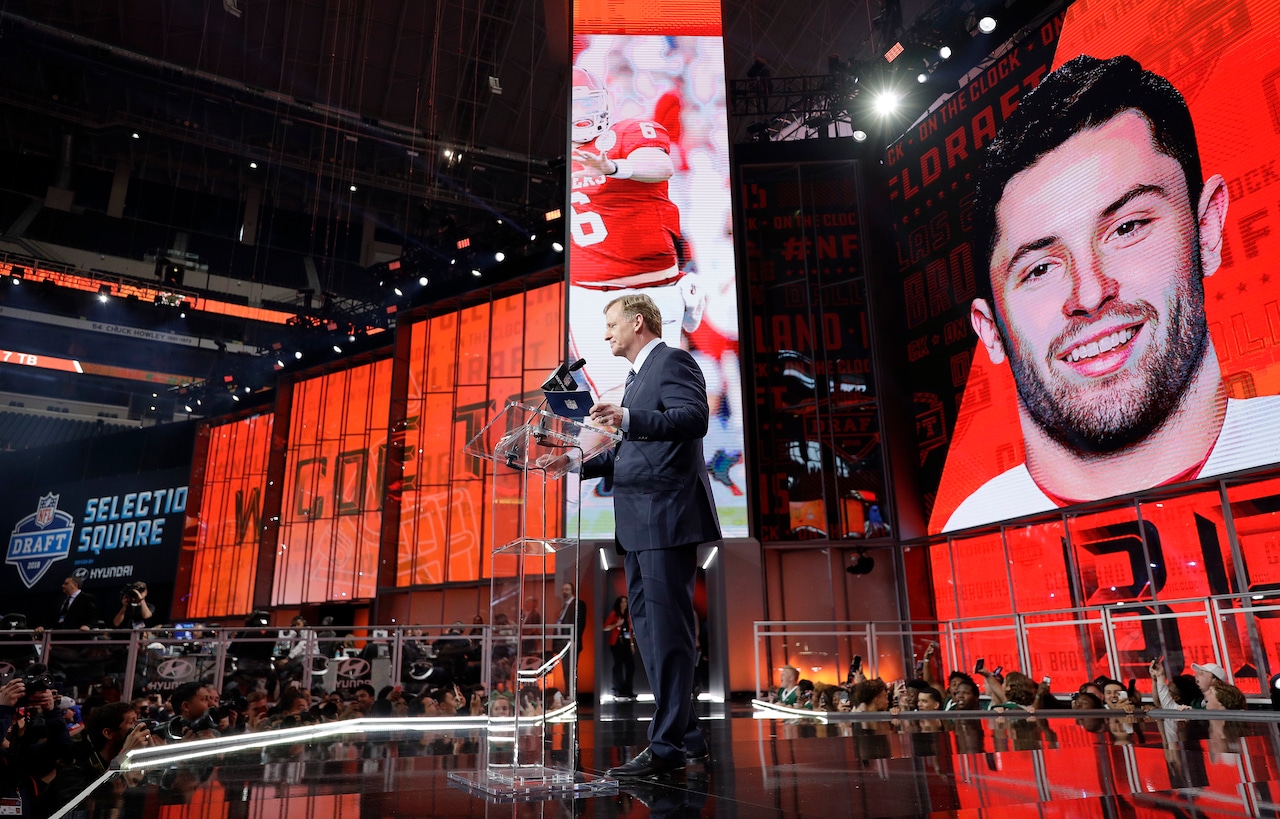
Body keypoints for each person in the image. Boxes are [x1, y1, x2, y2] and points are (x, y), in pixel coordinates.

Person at [945, 54, 1280, 532]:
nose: (1090, 291)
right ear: (990, 330)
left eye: (1128, 227)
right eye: (1040, 268)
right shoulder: (973, 532)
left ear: (1206, 229)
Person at [550, 293, 721, 779]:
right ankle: (687, 739)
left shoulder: (673, 360)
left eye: (611, 324)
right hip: (642, 524)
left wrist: (627, 417)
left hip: (667, 519)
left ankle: (665, 747)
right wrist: (574, 462)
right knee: (651, 635)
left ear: (638, 322)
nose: (605, 334)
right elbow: (629, 452)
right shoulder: (634, 378)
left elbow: (694, 420)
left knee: (668, 634)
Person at [568, 66, 703, 402]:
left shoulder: (627, 133)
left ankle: (683, 293)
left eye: (589, 105)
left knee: (654, 394)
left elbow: (660, 164)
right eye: (576, 107)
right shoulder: (558, 157)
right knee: (612, 402)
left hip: (649, 286)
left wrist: (615, 168)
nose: (583, 116)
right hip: (587, 295)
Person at [603, 595, 636, 699]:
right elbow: (605, 627)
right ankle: (619, 689)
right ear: (619, 603)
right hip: (617, 643)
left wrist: (631, 644)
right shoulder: (614, 614)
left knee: (631, 666)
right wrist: (616, 624)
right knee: (618, 666)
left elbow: (630, 631)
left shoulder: (628, 615)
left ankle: (628, 689)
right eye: (622, 602)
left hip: (626, 643)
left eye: (625, 602)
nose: (624, 604)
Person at [557, 582, 587, 659]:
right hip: (562, 641)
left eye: (567, 589)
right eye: (563, 589)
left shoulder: (578, 604)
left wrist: (575, 639)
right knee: (565, 667)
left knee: (571, 667)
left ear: (572, 591)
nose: (564, 591)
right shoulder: (564, 606)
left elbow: (580, 623)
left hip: (571, 641)